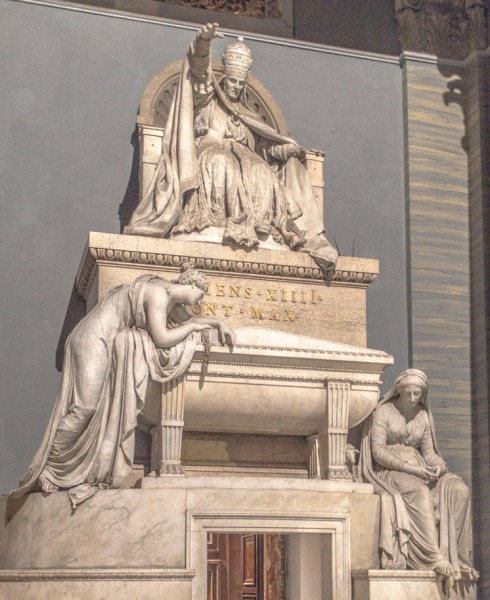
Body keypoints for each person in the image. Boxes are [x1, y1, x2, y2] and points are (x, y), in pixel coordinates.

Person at [11, 266, 235, 507]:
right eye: (201, 295)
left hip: (101, 341)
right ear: (192, 286)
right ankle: (50, 468)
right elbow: (162, 338)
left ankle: (58, 467)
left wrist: (217, 324)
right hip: (93, 339)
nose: (200, 301)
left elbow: (187, 319)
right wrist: (193, 328)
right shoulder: (158, 295)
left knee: (89, 408)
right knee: (84, 408)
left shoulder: (167, 296)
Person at [125, 23, 338, 273]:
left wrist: (289, 151)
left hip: (248, 158)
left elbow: (267, 148)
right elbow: (199, 71)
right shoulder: (207, 100)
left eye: (240, 83)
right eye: (232, 81)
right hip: (210, 151)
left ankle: (258, 223)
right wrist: (203, 43)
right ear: (224, 78)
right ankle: (213, 221)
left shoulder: (248, 114)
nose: (235, 87)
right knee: (221, 163)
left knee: (261, 170)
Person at [360, 369, 478, 582]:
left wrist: (440, 466)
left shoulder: (423, 414)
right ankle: (432, 557)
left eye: (417, 393)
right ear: (399, 390)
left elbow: (430, 453)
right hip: (391, 472)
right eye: (409, 393)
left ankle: (459, 558)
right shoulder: (384, 411)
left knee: (460, 490)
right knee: (420, 491)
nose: (413, 398)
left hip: (421, 469)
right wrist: (411, 468)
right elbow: (378, 452)